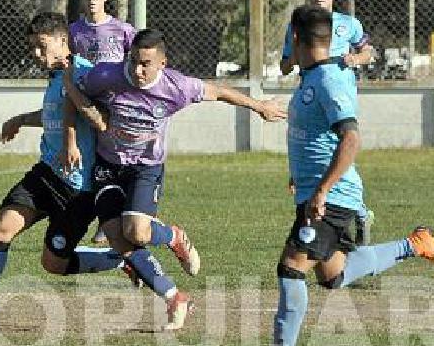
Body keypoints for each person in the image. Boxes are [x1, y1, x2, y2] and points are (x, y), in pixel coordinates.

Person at [244, 5, 434, 346]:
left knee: (292, 265)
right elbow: (315, 138)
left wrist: (322, 189)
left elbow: (350, 138)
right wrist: (302, 177)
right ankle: (416, 244)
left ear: (295, 37)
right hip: (317, 192)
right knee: (332, 274)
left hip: (332, 197)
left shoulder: (329, 80)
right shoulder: (314, 77)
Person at [61, 29, 287, 330]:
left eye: (146, 64)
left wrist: (260, 107)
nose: (138, 70)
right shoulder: (106, 75)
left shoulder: (176, 87)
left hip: (146, 168)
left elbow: (219, 92)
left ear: (162, 63)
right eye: (134, 62)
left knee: (138, 233)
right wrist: (70, 136)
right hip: (108, 166)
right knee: (117, 236)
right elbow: (75, 96)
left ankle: (172, 237)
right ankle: (174, 297)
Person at [0, 12, 125, 333]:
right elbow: (52, 114)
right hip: (45, 175)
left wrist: (75, 141)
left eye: (42, 47)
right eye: (33, 48)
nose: (37, 55)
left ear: (62, 41)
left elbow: (100, 117)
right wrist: (21, 119)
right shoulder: (55, 77)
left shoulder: (85, 75)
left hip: (79, 189)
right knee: (1, 229)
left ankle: (118, 259)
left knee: (53, 264)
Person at [280, 0, 375, 245]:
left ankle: (354, 208)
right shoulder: (299, 26)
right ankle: (355, 211)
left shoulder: (348, 24)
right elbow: (286, 63)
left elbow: (369, 52)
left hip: (338, 93)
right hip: (312, 88)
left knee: (342, 145)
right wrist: (294, 60)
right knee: (327, 148)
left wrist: (356, 58)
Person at [69, 0, 137, 245]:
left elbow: (139, 61)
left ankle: (116, 217)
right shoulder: (75, 31)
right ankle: (101, 218)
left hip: (117, 106)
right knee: (93, 161)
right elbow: (68, 65)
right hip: (88, 106)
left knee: (117, 161)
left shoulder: (123, 30)